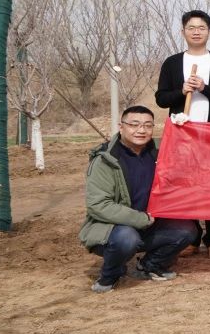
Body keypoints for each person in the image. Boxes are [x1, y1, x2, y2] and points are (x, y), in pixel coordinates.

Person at [80, 106, 199, 293]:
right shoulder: (106, 161)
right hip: (113, 228)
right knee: (126, 238)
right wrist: (140, 219)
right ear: (121, 127)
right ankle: (110, 275)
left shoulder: (158, 151)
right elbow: (98, 205)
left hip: (150, 223)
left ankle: (150, 265)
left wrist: (185, 131)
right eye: (134, 125)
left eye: (147, 125)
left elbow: (190, 152)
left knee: (187, 230)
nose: (141, 130)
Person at [153, 9, 210, 260]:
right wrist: (181, 90)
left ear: (209, 32)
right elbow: (161, 99)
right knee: (185, 185)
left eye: (201, 28)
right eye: (191, 28)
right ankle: (191, 237)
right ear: (183, 31)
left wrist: (204, 87)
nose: (196, 32)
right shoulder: (172, 63)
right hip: (182, 134)